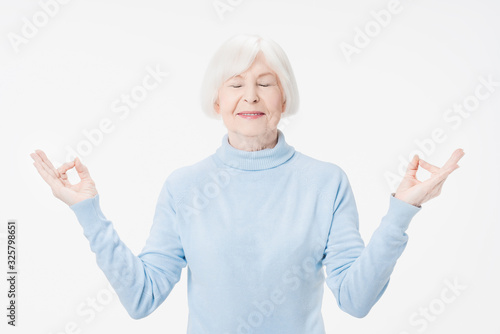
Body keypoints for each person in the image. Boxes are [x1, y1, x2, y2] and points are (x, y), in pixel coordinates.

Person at [30, 33, 465, 333]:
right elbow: (141, 299)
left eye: (265, 83)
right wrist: (87, 211)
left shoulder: (325, 183)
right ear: (217, 101)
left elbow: (356, 300)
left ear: (284, 97)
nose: (251, 96)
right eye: (235, 84)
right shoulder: (184, 187)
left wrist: (400, 215)